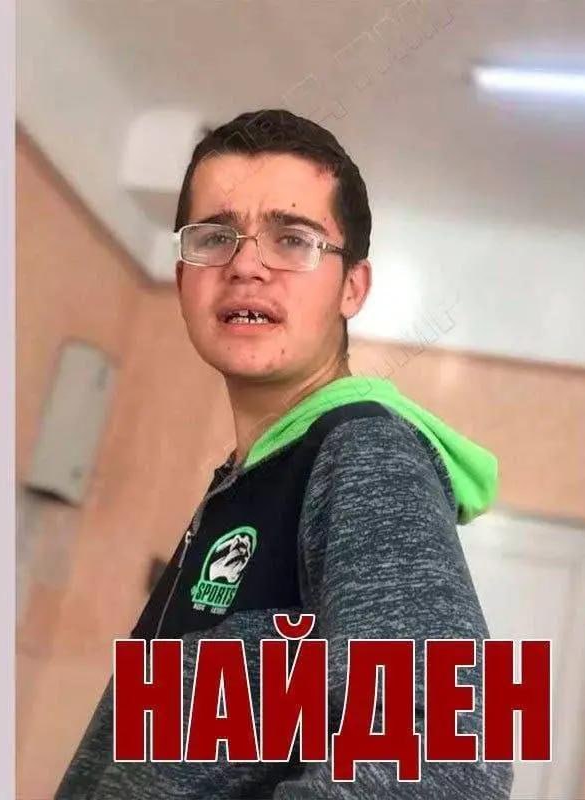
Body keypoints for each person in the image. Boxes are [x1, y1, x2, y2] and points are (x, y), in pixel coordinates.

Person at [55, 109, 510, 799]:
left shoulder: (364, 453)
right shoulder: (251, 476)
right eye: (215, 237)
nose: (245, 266)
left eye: (292, 239)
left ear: (352, 287)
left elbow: (446, 757)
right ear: (182, 277)